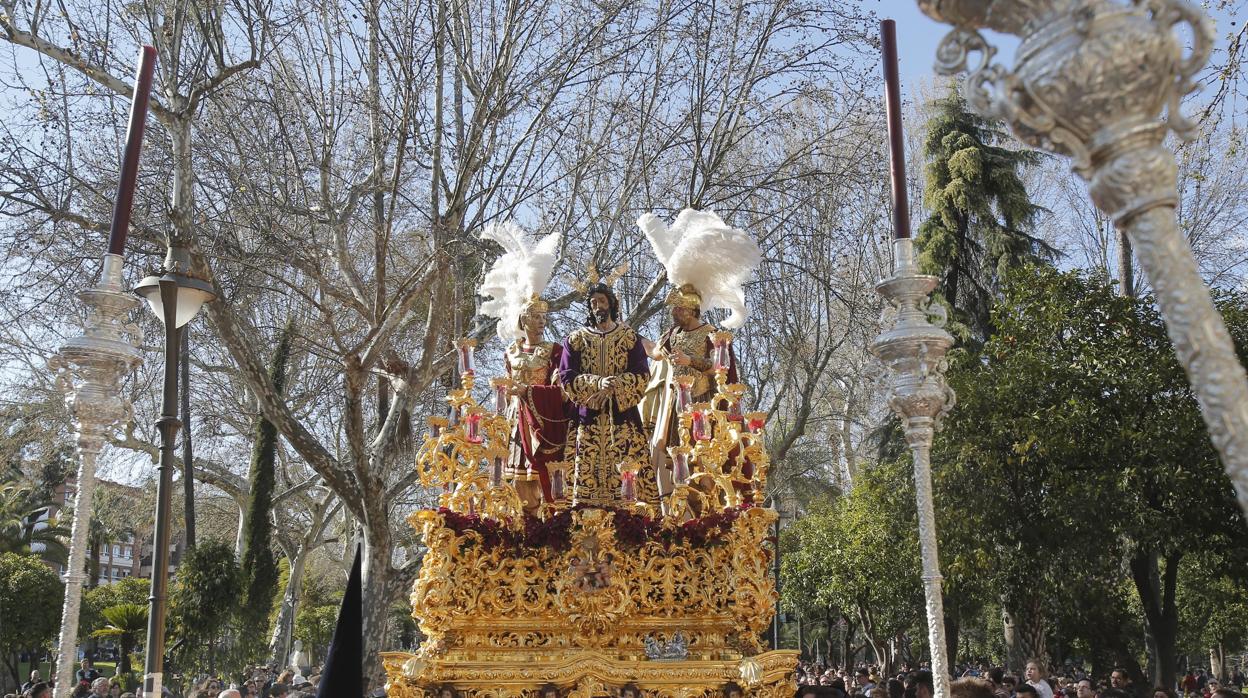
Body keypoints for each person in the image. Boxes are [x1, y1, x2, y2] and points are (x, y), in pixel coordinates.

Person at [477, 223, 568, 511]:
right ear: (523, 319)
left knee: (545, 478)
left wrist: (528, 390)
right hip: (516, 417)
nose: (541, 322)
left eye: (544, 317)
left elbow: (560, 389)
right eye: (536, 317)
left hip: (541, 419)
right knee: (517, 479)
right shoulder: (511, 352)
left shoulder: (554, 350)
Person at [558, 279, 656, 505]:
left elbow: (642, 374)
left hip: (622, 417)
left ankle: (629, 518)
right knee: (586, 469)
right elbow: (566, 374)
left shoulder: (629, 337)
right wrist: (596, 384)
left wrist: (615, 385)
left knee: (626, 468)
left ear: (611, 304)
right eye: (593, 302)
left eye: (601, 301)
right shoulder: (576, 339)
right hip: (588, 415)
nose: (597, 306)